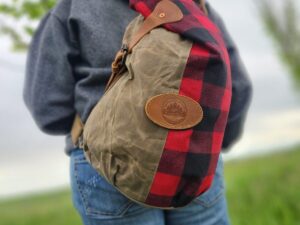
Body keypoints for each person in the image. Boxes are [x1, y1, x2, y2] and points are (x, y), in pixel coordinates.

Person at [23, 0, 252, 224]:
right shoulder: (194, 6)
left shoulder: (73, 8)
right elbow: (238, 87)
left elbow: (48, 110)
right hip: (192, 162)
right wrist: (203, 145)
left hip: (105, 163)